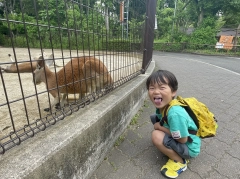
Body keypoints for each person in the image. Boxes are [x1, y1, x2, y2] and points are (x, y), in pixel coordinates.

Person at [146, 70, 201, 178]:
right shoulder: (164, 106)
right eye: (152, 88)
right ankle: (171, 148)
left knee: (156, 136)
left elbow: (182, 140)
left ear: (173, 91)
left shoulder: (175, 114)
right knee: (155, 118)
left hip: (189, 146)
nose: (156, 92)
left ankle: (180, 162)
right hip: (183, 137)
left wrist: (160, 128)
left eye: (162, 88)